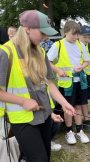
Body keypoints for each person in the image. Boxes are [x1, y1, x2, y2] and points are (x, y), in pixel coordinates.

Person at [0, 10, 75, 161]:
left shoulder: (40, 51)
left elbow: (48, 82)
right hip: (22, 120)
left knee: (45, 157)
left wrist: (64, 103)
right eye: (43, 33)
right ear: (27, 29)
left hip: (45, 115)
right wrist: (23, 101)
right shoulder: (5, 52)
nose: (46, 37)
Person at [47, 20, 90, 145]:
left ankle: (79, 131)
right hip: (66, 83)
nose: (76, 37)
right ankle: (69, 131)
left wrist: (81, 67)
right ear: (65, 32)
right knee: (68, 108)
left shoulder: (80, 45)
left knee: (78, 106)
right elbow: (47, 61)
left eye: (77, 35)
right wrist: (58, 70)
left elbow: (86, 61)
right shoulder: (58, 45)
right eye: (73, 34)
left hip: (80, 81)